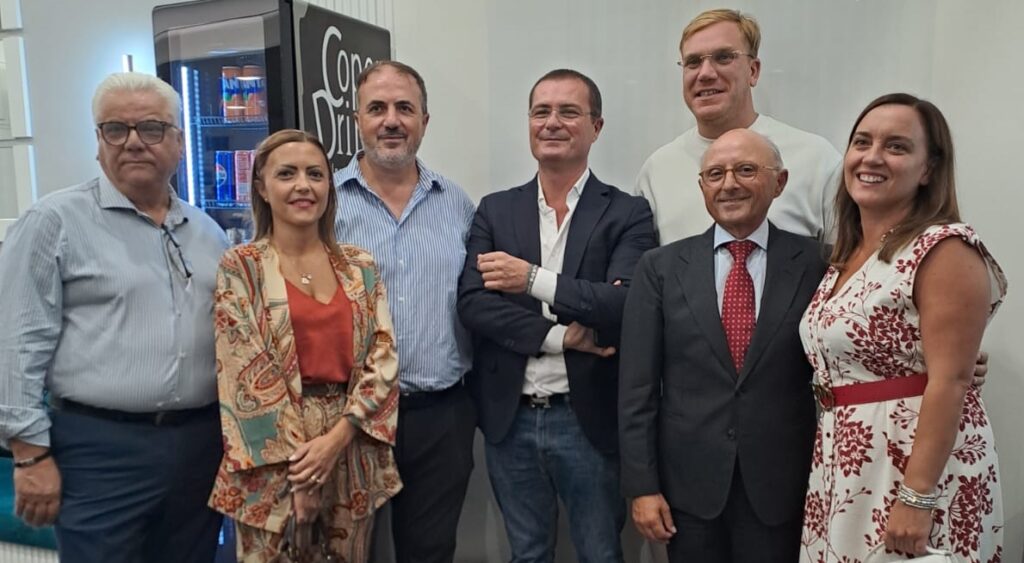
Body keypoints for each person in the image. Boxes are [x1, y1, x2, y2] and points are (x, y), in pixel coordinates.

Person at [0, 72, 227, 562]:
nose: (133, 143)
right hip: (98, 451)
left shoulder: (208, 233)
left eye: (151, 128)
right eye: (116, 129)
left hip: (200, 447)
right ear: (98, 142)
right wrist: (29, 456)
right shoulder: (53, 223)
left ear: (179, 142)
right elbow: (15, 346)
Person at [458, 69, 657, 563]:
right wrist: (560, 337)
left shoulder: (627, 213)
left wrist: (529, 279)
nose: (551, 122)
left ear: (596, 126)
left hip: (588, 419)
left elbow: (620, 305)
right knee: (527, 554)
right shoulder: (495, 211)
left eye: (568, 112)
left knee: (600, 554)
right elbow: (474, 304)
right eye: (540, 111)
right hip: (511, 419)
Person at [798, 94, 1005, 562]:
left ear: (928, 168)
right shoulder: (846, 256)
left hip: (912, 466)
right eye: (861, 142)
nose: (871, 157)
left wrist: (917, 497)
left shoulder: (944, 248)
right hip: (846, 462)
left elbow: (951, 381)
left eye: (896, 146)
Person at [619, 129, 822, 563]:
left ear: (780, 182)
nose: (729, 184)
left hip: (783, 488)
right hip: (688, 491)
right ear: (702, 187)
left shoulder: (816, 263)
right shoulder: (660, 268)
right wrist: (642, 487)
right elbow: (637, 389)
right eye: (715, 174)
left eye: (746, 170)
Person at [209, 129, 401, 562]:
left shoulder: (359, 266)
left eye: (315, 174)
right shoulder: (241, 268)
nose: (303, 186)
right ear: (262, 187)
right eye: (287, 174)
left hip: (352, 447)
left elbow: (383, 354)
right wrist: (302, 478)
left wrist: (339, 437)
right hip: (272, 462)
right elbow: (245, 375)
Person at [333, 60, 477, 563]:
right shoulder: (325, 203)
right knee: (351, 551)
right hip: (350, 418)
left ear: (424, 121)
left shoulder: (456, 203)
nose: (391, 120)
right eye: (377, 108)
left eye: (404, 109)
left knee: (430, 551)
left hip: (441, 416)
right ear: (358, 119)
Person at [636, 8, 841, 244]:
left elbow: (850, 260)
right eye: (693, 62)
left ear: (753, 71)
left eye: (723, 57)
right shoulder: (656, 172)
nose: (705, 73)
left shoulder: (816, 160)